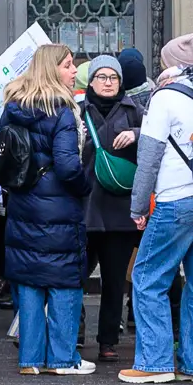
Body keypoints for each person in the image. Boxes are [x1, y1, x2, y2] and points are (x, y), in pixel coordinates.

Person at [121, 33, 193, 383]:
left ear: (170, 65)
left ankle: (154, 363)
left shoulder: (166, 97)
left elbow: (149, 157)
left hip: (176, 199)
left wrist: (138, 206)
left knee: (148, 277)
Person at [1, 42, 91, 375]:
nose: (73, 71)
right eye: (68, 65)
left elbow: (4, 157)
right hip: (59, 208)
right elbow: (68, 167)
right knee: (64, 280)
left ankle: (30, 360)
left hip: (24, 203)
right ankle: (62, 359)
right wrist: (85, 187)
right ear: (51, 69)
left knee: (29, 280)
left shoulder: (14, 106)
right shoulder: (62, 111)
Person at [78, 53, 144, 366]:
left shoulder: (135, 110)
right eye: (101, 77)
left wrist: (137, 134)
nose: (108, 83)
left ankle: (108, 340)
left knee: (115, 281)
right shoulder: (78, 110)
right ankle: (73, 332)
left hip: (120, 208)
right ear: (90, 81)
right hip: (87, 206)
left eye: (113, 78)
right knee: (75, 275)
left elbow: (162, 138)